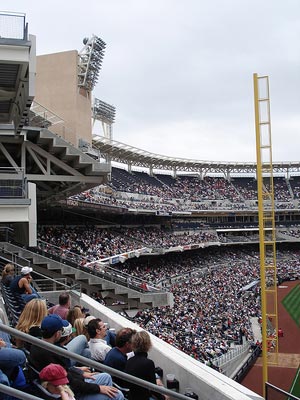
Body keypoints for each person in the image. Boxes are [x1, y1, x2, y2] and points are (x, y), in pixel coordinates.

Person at [28, 314, 124, 400]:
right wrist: (99, 389)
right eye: (61, 330)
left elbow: (66, 372)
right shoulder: (52, 353)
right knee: (117, 394)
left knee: (106, 377)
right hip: (72, 393)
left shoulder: (35, 345)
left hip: (68, 385)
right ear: (57, 334)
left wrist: (80, 372)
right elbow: (73, 383)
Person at [124, 331, 167, 400]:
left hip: (131, 396)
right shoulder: (148, 363)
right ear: (148, 344)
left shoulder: (130, 360)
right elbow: (153, 388)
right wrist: (163, 398)